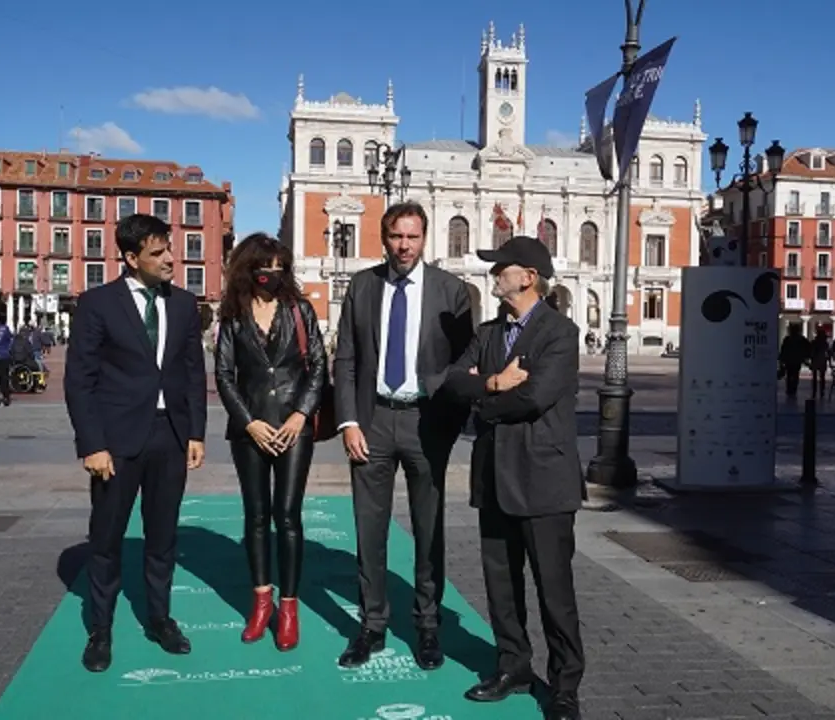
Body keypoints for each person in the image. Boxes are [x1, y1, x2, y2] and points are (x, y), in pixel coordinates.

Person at [444, 236, 585, 720]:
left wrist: (482, 402)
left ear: (527, 276)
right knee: (501, 586)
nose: (493, 273)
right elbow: (452, 380)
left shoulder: (559, 333)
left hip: (544, 478)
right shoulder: (486, 333)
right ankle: (513, 666)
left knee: (554, 590)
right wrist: (492, 382)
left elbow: (536, 398)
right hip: (493, 477)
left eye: (501, 266)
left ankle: (565, 686)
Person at [332, 201, 475, 670]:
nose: (404, 246)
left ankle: (427, 626)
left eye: (412, 237)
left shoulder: (452, 291)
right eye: (396, 237)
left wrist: (448, 426)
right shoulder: (362, 285)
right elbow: (347, 358)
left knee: (428, 531)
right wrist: (349, 420)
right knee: (369, 531)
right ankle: (371, 626)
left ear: (424, 237)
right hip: (371, 422)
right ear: (383, 237)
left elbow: (462, 365)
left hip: (425, 423)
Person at [64, 213, 207, 673]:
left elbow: (192, 372)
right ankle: (100, 629)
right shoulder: (97, 304)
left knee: (163, 537)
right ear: (130, 258)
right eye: (158, 252)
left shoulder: (184, 305)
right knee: (106, 538)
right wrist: (92, 444)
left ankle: (160, 619)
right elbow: (79, 380)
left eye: (170, 248)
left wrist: (196, 432)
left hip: (169, 438)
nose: (171, 259)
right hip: (116, 443)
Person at [214, 233, 327, 651]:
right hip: (251, 429)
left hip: (295, 428)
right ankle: (260, 603)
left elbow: (318, 366)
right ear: (249, 268)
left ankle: (289, 608)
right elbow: (224, 374)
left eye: (281, 268)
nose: (273, 275)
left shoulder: (300, 309)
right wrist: (248, 422)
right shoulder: (234, 315)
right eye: (266, 268)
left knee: (288, 515)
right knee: (257, 515)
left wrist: (301, 414)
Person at [778, 325, 811, 397]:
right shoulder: (801, 339)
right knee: (795, 374)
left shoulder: (788, 339)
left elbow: (783, 350)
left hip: (789, 360)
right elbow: (808, 347)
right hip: (796, 360)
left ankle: (789, 388)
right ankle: (793, 388)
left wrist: (781, 360)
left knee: (789, 374)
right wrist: (805, 357)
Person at [808, 326, 830, 398]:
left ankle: (814, 391)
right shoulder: (825, 343)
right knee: (822, 376)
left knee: (814, 376)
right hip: (822, 360)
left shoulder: (814, 342)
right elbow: (827, 352)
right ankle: (822, 390)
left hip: (815, 360)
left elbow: (811, 351)